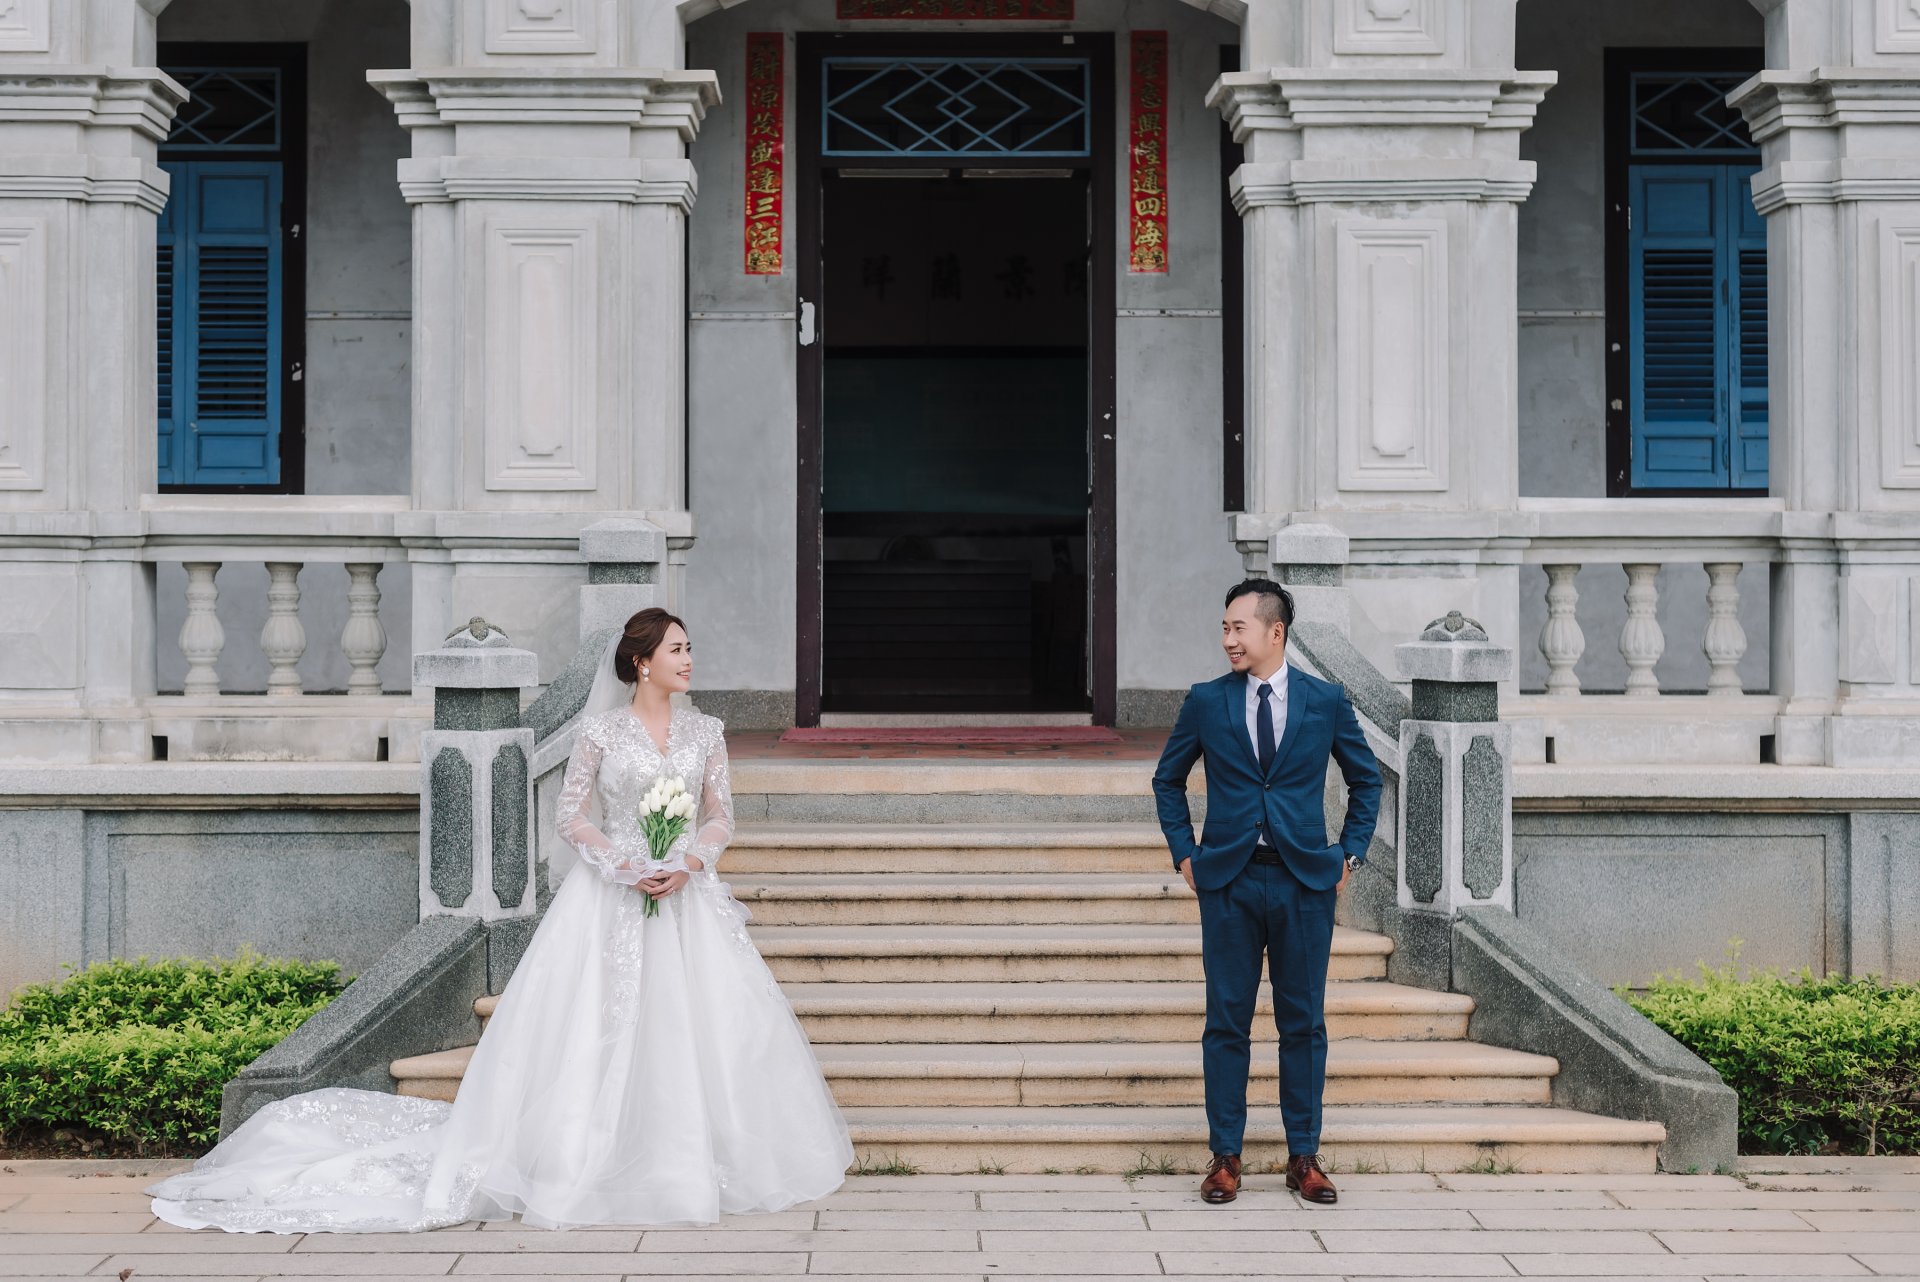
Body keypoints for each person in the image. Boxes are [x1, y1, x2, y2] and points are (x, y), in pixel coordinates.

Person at [148, 608, 852, 1232]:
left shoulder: (706, 732)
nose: (689, 659)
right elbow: (572, 816)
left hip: (686, 897)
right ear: (642, 662)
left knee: (694, 1029)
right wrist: (623, 864)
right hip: (614, 894)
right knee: (598, 1024)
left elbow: (720, 814)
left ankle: (686, 1161)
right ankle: (582, 1156)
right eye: (677, 649)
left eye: (688, 648)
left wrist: (690, 861)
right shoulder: (602, 731)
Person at [1151, 580, 1382, 1206]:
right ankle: (1225, 1157)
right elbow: (1168, 780)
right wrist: (1185, 853)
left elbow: (1366, 780)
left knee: (1303, 1023)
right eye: (1224, 628)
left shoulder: (1325, 701)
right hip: (1228, 880)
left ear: (1274, 632)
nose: (1228, 639)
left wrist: (1348, 853)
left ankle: (1303, 1156)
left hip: (1303, 882)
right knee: (1226, 1021)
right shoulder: (1206, 701)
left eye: (1238, 628)